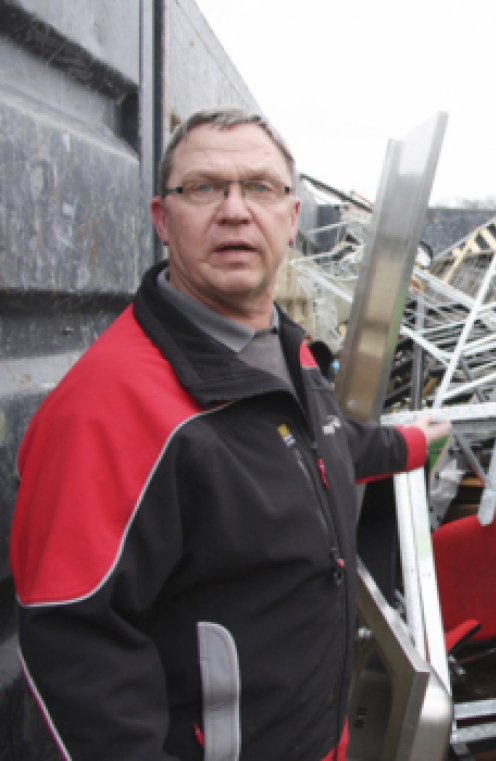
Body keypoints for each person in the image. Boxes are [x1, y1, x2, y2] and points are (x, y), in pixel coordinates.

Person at [9, 107, 449, 761]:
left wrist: (413, 443)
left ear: (292, 218)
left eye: (260, 187)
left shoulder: (286, 351)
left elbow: (321, 447)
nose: (235, 210)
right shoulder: (106, 410)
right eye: (205, 187)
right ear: (163, 219)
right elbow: (77, 657)